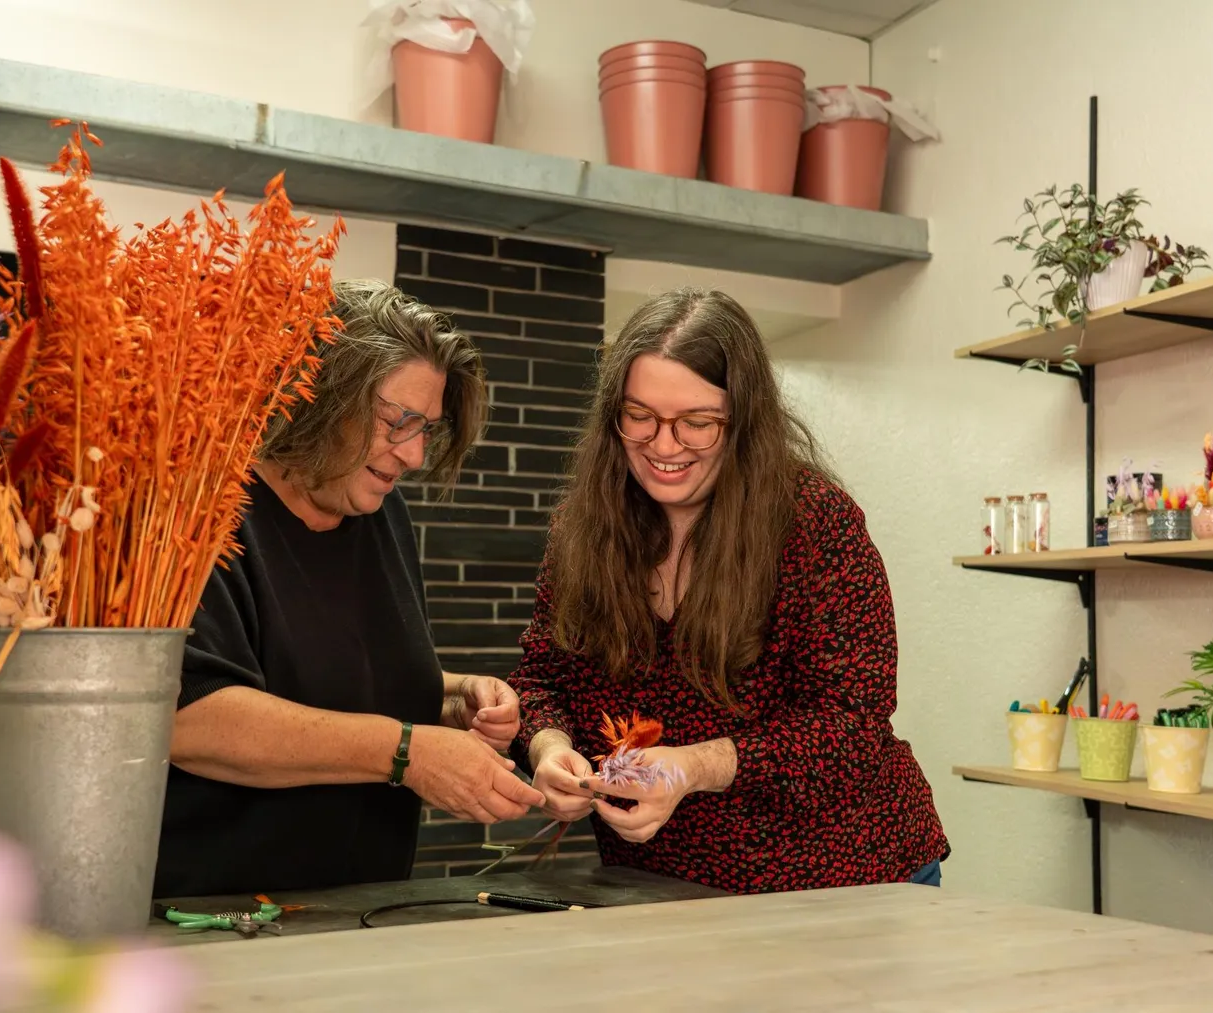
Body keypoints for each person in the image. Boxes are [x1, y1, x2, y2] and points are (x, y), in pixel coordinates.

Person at [508, 287, 948, 895]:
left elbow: (852, 725)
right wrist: (549, 747)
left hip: (842, 878)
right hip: (664, 884)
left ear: (743, 422)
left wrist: (693, 767)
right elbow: (541, 677)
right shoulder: (584, 530)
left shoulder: (814, 525)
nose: (664, 446)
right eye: (640, 416)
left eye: (697, 423)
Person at [156, 279, 544, 899]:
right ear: (321, 395)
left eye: (427, 429)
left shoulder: (380, 515)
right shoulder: (207, 510)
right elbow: (191, 716)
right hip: (214, 917)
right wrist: (409, 752)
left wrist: (453, 699)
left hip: (356, 909)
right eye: (398, 422)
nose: (414, 455)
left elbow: (337, 677)